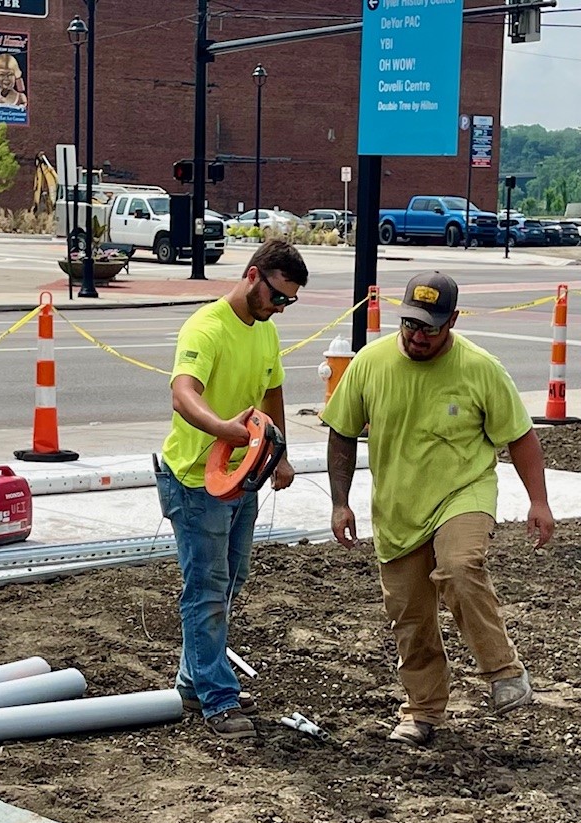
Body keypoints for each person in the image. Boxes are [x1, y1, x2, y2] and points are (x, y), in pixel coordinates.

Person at [322, 271, 553, 748]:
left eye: (430, 326)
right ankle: (423, 711)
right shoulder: (372, 363)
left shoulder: (479, 368)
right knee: (410, 617)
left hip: (463, 493)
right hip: (399, 507)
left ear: (453, 320)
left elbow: (520, 437)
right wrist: (340, 502)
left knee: (460, 566)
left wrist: (539, 501)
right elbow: (342, 431)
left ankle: (503, 670)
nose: (417, 335)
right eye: (410, 324)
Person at [155, 239, 307, 740]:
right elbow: (183, 395)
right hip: (196, 480)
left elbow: (272, 392)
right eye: (277, 296)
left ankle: (192, 681)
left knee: (228, 583)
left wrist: (278, 453)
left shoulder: (264, 332)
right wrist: (227, 430)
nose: (280, 308)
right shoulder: (206, 327)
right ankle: (219, 699)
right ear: (252, 275)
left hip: (241, 478)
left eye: (289, 302)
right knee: (206, 590)